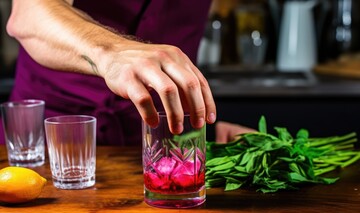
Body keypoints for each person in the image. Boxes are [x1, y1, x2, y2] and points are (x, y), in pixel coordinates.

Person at [0, 0, 251, 146]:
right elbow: (29, 14)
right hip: (46, 142)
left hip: (161, 144)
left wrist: (208, 130)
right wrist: (113, 54)